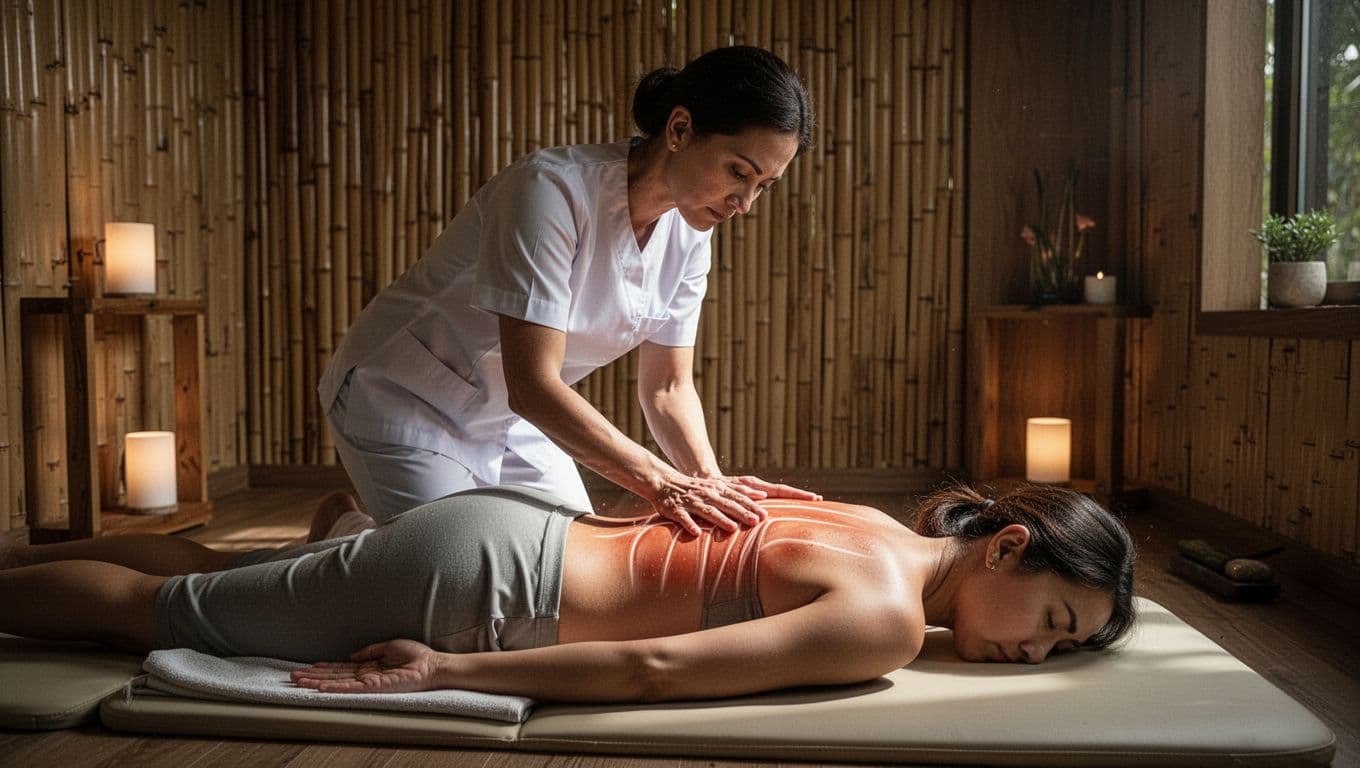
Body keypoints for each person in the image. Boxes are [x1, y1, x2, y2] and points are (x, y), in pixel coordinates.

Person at [0, 483, 1135, 704]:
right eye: (1052, 622)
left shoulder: (871, 524)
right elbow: (652, 668)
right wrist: (448, 669)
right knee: (151, 618)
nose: (1036, 653)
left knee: (216, 571)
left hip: (503, 527)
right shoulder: (883, 620)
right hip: (483, 585)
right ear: (1005, 549)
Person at [318, 45, 819, 533]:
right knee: (466, 586)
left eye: (762, 186)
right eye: (739, 172)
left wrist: (708, 481)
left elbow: (667, 387)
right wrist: (663, 483)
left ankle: (353, 531)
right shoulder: (549, 192)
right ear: (680, 129)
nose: (745, 203)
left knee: (566, 574)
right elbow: (533, 385)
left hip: (508, 419)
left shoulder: (691, 233)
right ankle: (343, 530)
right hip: (403, 397)